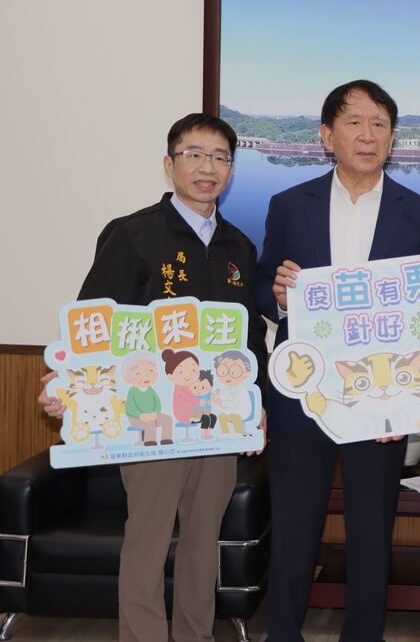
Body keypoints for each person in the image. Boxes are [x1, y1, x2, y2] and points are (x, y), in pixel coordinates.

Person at [37, 113, 267, 642]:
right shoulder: (132, 234)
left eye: (220, 158)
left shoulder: (239, 247)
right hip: (150, 421)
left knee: (203, 542)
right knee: (147, 539)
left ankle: (194, 635)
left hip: (215, 420)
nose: (207, 168)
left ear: (231, 170)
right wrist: (65, 384)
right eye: (194, 155)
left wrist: (258, 412)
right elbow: (92, 323)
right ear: (170, 164)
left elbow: (249, 337)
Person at [255, 79, 420, 642]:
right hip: (302, 395)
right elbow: (262, 285)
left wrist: (409, 401)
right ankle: (282, 634)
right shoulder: (290, 205)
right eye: (354, 122)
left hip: (379, 398)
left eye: (379, 124)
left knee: (371, 532)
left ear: (392, 137)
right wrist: (278, 296)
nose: (367, 135)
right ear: (326, 135)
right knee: (293, 532)